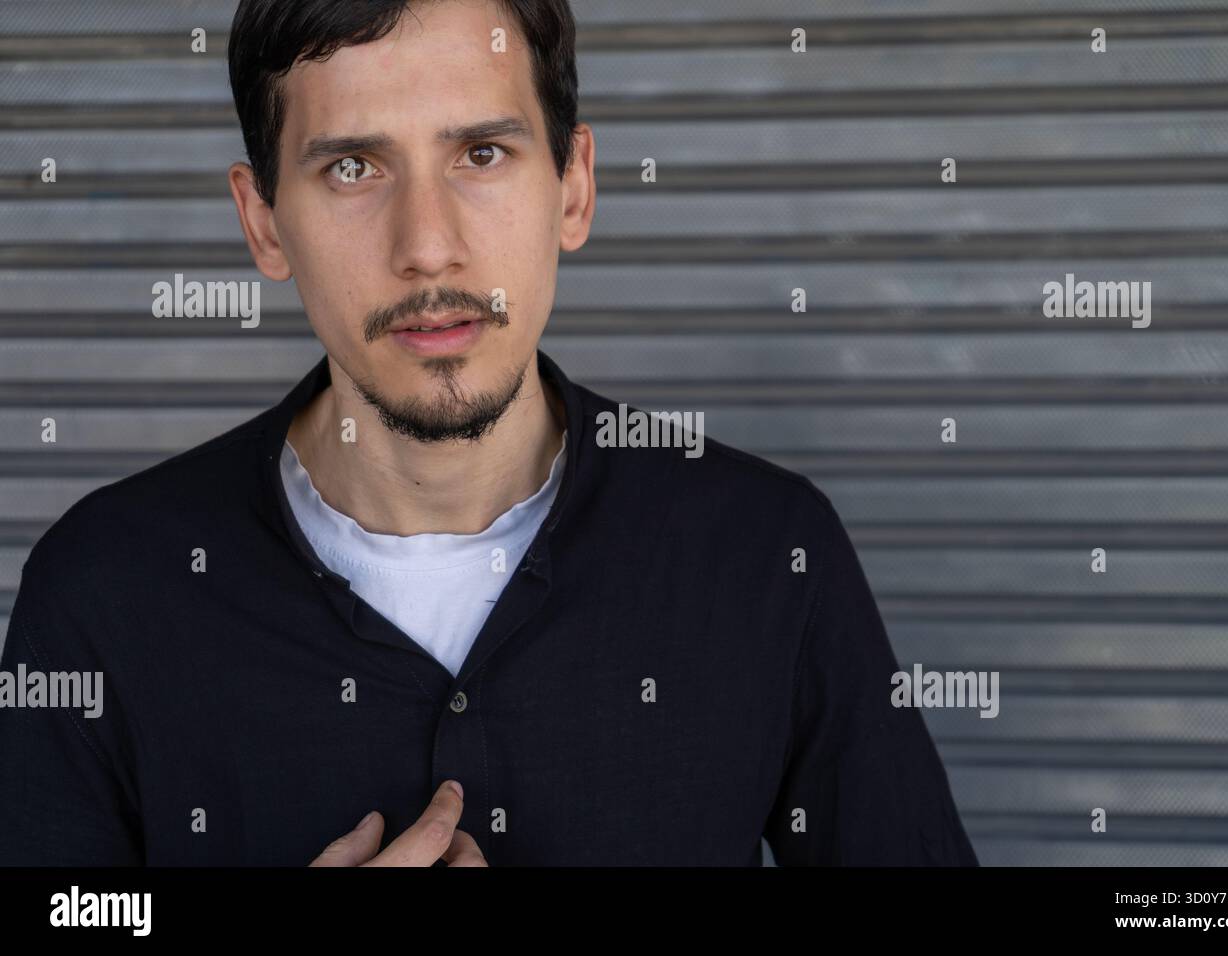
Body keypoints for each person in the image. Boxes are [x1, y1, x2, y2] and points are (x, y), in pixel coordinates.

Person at [0, 0, 978, 867]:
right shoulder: (103, 589)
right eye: (351, 165)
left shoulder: (768, 552)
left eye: (480, 154)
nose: (427, 244)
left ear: (573, 186)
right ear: (264, 225)